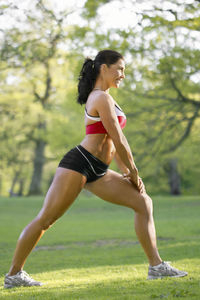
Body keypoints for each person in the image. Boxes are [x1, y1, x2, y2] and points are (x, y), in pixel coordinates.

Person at [4, 49, 187, 288]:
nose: (123, 74)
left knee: (143, 202)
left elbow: (113, 142)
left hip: (98, 169)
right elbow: (118, 138)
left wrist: (126, 171)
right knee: (46, 219)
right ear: (104, 68)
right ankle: (14, 275)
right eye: (120, 69)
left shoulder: (108, 97)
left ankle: (156, 267)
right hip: (78, 164)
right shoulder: (100, 97)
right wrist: (133, 170)